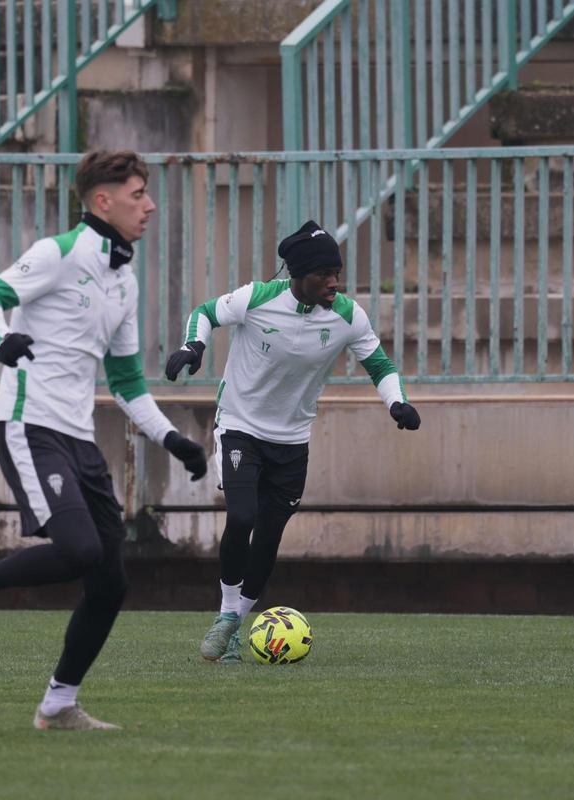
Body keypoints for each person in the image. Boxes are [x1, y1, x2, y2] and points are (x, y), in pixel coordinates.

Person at [0, 150, 208, 730]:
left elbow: (127, 380)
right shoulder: (58, 253)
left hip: (79, 439)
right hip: (30, 424)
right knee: (79, 550)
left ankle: (58, 705)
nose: (150, 205)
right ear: (103, 201)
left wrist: (170, 439)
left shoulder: (123, 280)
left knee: (110, 583)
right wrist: (3, 340)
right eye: (138, 195)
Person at [165, 220, 421, 663]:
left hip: (292, 438)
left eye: (336, 272)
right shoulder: (258, 297)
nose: (334, 282)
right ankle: (227, 619)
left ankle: (233, 630)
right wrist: (194, 347)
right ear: (300, 275)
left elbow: (380, 364)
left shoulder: (346, 315)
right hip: (241, 424)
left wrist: (396, 403)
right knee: (242, 516)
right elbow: (205, 312)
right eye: (325, 274)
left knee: (268, 537)